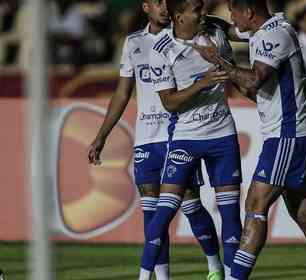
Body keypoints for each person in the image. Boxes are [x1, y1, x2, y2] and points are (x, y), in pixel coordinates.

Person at [193, 1, 306, 279]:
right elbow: (231, 33)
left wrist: (218, 60)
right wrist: (196, 17)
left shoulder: (274, 35)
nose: (231, 18)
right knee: (304, 214)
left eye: (233, 11)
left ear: (249, 12)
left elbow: (254, 80)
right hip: (290, 133)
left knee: (256, 205)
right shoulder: (264, 31)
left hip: (286, 134)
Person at [87, 1, 224, 279]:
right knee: (151, 209)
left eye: (168, 2)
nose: (164, 7)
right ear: (145, 6)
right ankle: (163, 277)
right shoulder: (134, 42)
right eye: (158, 2)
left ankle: (214, 266)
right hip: (147, 138)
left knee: (190, 202)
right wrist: (102, 135)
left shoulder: (187, 38)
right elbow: (123, 93)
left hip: (179, 134)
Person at [139, 0, 243, 279]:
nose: (203, 14)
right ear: (178, 16)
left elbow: (247, 35)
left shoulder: (216, 34)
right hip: (185, 138)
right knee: (164, 214)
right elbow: (169, 103)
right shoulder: (161, 50)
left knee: (231, 213)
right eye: (196, 10)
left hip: (223, 134)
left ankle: (229, 275)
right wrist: (202, 84)